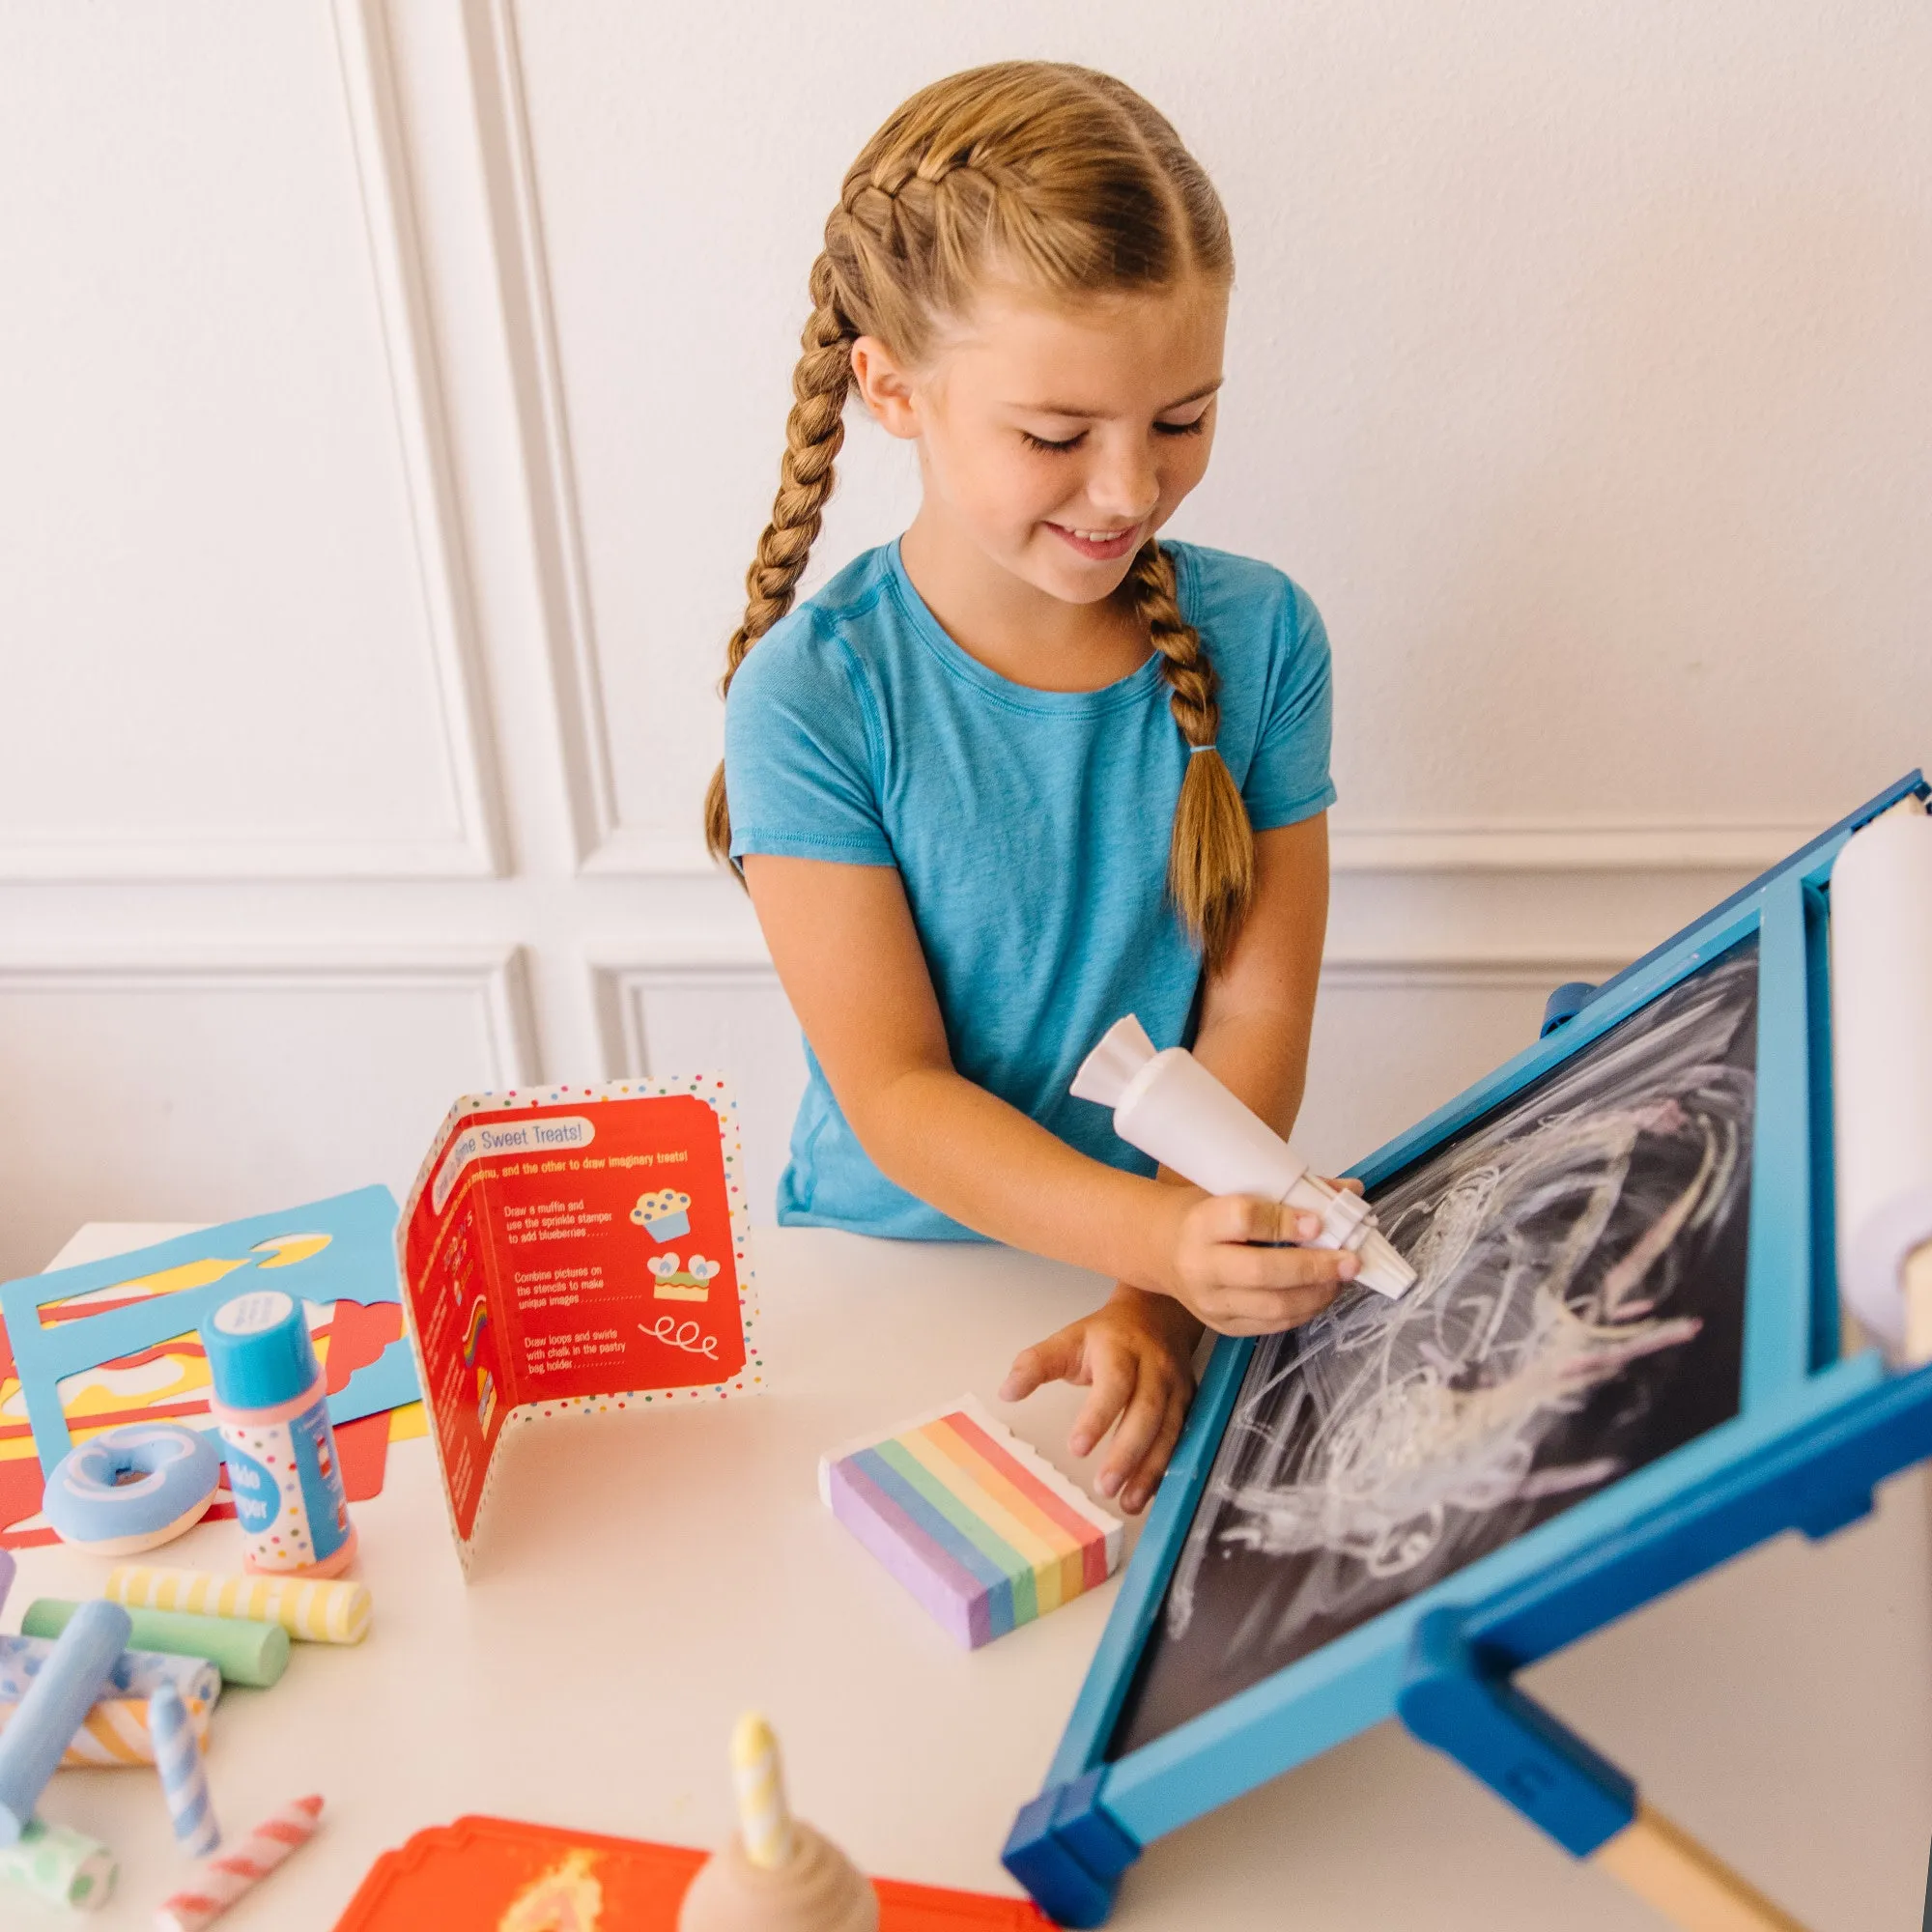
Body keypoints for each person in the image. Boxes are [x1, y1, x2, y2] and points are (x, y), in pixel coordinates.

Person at [713, 61, 1355, 1516]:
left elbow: (1258, 1007)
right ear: (892, 389)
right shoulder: (813, 698)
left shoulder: (1264, 643)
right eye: (1058, 437)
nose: (1128, 489)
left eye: (1181, 419)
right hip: (882, 1288)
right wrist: (1162, 1245)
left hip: (1167, 1271)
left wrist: (1166, 1292)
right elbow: (893, 1091)